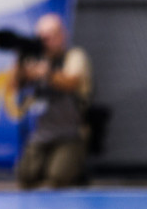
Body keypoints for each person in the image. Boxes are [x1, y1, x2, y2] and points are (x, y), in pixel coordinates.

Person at [13, 13, 92, 189]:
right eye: (42, 38)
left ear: (62, 35)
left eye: (49, 37)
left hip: (69, 134)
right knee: (25, 178)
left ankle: (77, 172)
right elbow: (13, 85)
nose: (45, 42)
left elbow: (71, 83)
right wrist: (20, 60)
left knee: (57, 179)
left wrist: (47, 74)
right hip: (41, 135)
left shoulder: (74, 56)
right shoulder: (35, 59)